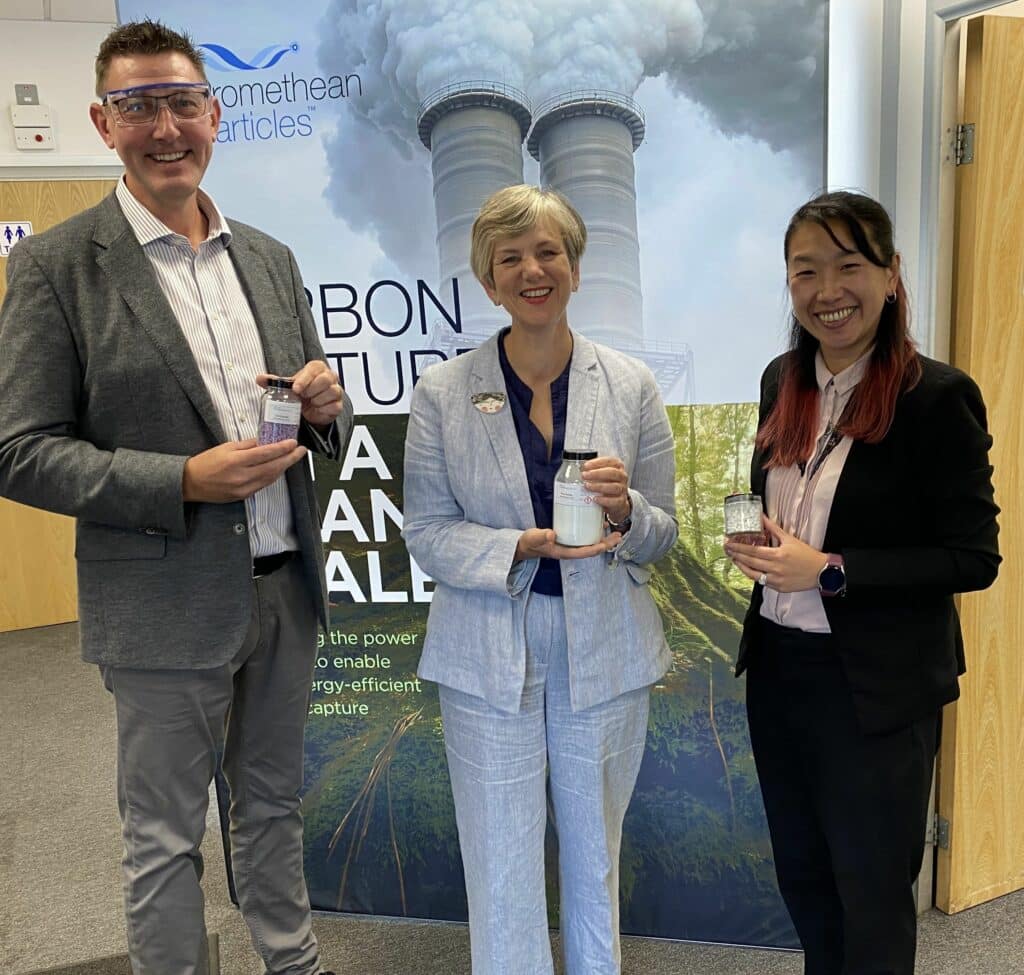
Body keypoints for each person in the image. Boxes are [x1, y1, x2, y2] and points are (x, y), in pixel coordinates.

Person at [0, 20, 350, 975]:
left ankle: (293, 964)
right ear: (102, 123)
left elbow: (319, 418)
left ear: (215, 111)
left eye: (181, 101)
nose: (165, 126)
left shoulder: (270, 258)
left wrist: (326, 407)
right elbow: (19, 451)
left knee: (274, 807)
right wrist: (181, 480)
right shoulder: (53, 268)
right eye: (137, 105)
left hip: (283, 586)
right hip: (161, 603)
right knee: (164, 839)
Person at [402, 184, 678, 975]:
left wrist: (628, 515)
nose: (532, 269)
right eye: (510, 257)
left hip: (607, 651)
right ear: (489, 281)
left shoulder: (630, 385)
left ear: (576, 268)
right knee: (502, 866)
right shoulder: (443, 393)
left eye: (548, 251)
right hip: (489, 650)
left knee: (594, 857)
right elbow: (427, 532)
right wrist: (517, 546)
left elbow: (665, 531)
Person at [725, 190, 1000, 975]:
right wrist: (761, 543)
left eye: (849, 265)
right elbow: (787, 497)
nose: (827, 290)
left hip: (875, 688)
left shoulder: (936, 398)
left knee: (872, 895)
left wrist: (833, 571)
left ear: (889, 274)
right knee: (806, 882)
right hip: (779, 675)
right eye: (806, 270)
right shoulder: (784, 378)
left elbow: (973, 557)